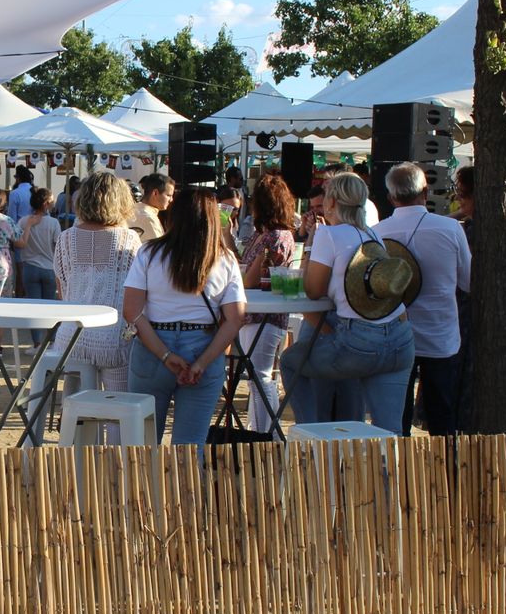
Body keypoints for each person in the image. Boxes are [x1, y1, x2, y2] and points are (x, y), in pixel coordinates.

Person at [283, 172, 417, 435]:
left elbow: (313, 290)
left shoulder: (329, 234)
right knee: (390, 432)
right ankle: (386, 463)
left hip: (359, 343)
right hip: (400, 336)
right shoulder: (372, 234)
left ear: (332, 202)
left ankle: (310, 436)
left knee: (290, 361)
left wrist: (310, 246)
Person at [123, 187, 246, 445]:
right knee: (190, 448)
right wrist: (201, 363)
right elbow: (235, 319)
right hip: (203, 347)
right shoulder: (225, 259)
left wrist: (165, 355)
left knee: (142, 447)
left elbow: (132, 312)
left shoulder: (149, 253)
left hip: (153, 346)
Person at [373, 163, 472, 435]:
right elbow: (468, 282)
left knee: (396, 415)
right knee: (442, 413)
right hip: (441, 334)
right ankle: (446, 462)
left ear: (391, 197)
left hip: (395, 334)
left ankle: (400, 461)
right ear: (425, 192)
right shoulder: (450, 229)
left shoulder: (377, 232)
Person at [53, 173, 142, 433]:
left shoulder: (66, 238)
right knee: (117, 411)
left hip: (71, 337)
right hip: (114, 339)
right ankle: (114, 457)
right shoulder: (128, 239)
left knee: (76, 408)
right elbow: (136, 294)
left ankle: (75, 454)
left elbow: (62, 291)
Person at [236, 173, 299, 434]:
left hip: (265, 315)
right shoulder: (265, 234)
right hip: (256, 314)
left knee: (260, 377)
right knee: (258, 378)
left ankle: (266, 435)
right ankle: (260, 432)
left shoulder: (274, 237)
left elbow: (251, 279)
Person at [16, 187, 61, 306]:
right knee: (49, 306)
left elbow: (16, 241)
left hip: (29, 267)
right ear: (46, 204)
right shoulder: (54, 223)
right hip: (49, 268)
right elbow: (58, 246)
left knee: (33, 306)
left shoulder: (23, 221)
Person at [129, 173, 174, 242]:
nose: (171, 200)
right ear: (155, 193)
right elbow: (159, 247)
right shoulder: (150, 219)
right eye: (168, 195)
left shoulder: (129, 211)